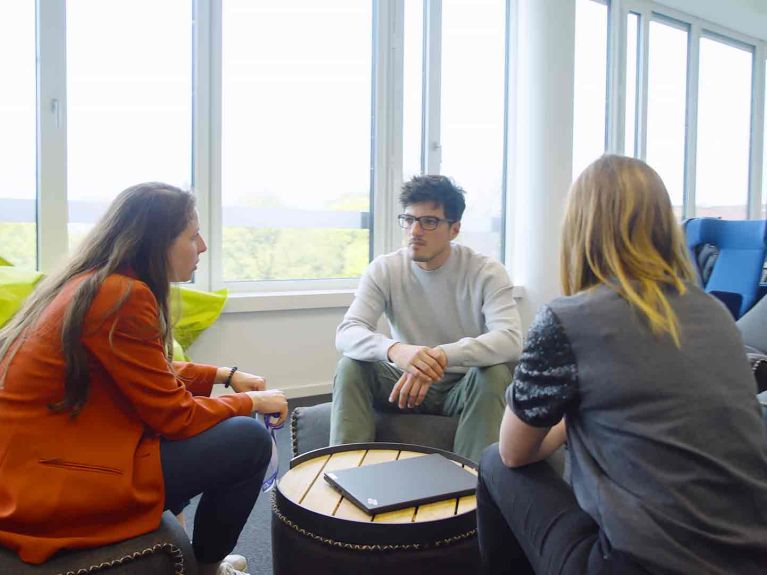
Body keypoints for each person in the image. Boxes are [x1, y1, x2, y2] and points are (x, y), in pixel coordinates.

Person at [477, 155, 767, 574]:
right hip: (750, 560)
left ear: (579, 230)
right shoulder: (716, 313)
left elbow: (514, 453)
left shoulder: (566, 320)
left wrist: (568, 420)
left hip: (637, 565)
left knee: (492, 463)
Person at [0, 182, 287, 575]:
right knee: (247, 439)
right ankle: (208, 567)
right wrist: (252, 402)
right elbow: (176, 416)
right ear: (156, 243)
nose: (202, 246)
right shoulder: (121, 296)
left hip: (35, 470)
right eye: (192, 235)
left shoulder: (90, 283)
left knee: (200, 430)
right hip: (57, 486)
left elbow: (144, 370)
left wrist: (225, 376)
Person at [331, 175, 523, 462]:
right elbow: (347, 332)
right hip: (404, 383)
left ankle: (473, 487)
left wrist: (439, 357)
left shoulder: (486, 272)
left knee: (495, 373)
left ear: (454, 229)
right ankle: (346, 476)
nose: (414, 231)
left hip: (463, 387)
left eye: (429, 222)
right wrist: (396, 351)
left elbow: (510, 339)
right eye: (408, 220)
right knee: (351, 365)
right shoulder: (384, 269)